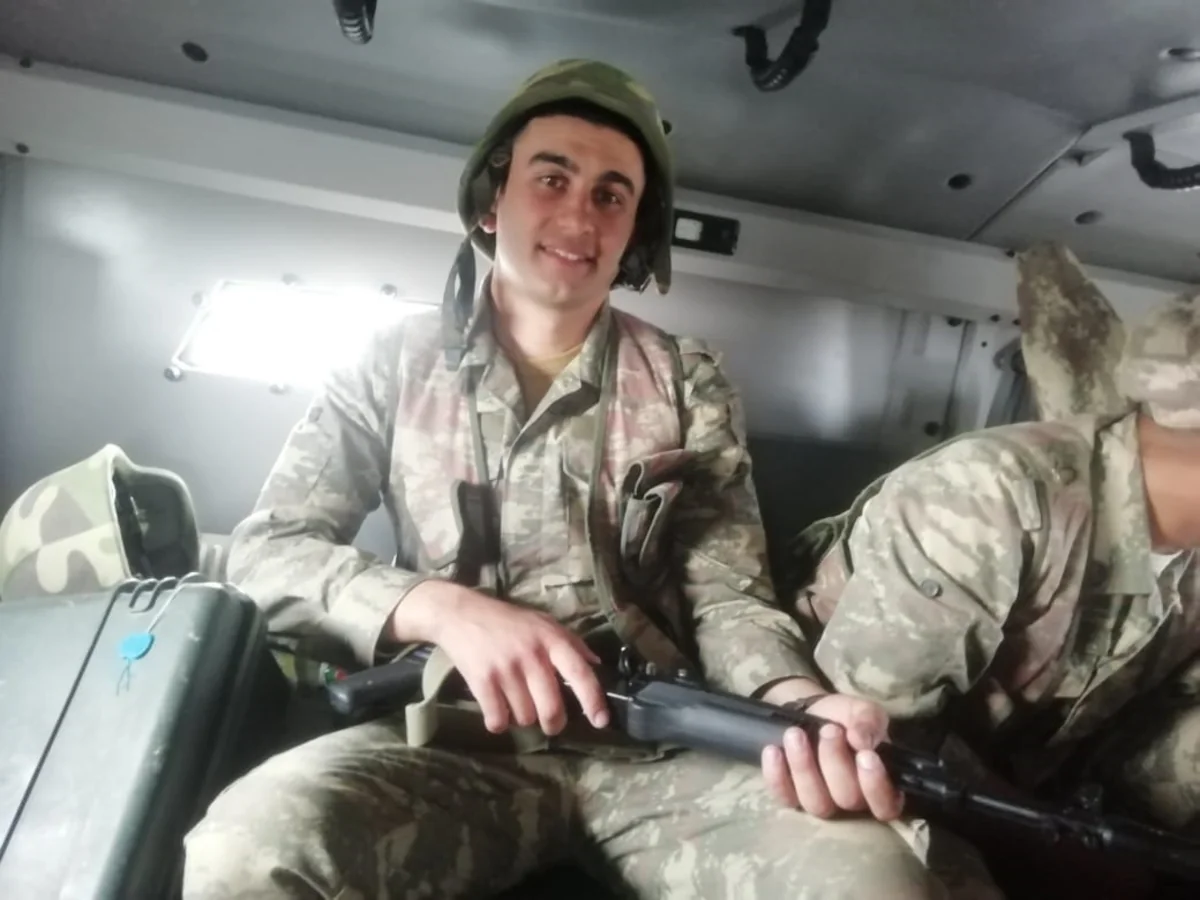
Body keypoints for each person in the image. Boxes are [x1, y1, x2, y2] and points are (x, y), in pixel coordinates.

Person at [182, 59, 993, 899]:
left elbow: (727, 595)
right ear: (493, 202)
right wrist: (443, 609)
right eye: (552, 178)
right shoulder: (390, 363)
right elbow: (268, 553)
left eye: (612, 195)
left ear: (633, 232)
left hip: (658, 747)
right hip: (451, 741)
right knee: (250, 849)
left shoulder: (688, 380)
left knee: (875, 880)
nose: (579, 215)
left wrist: (794, 703)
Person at [787, 289, 1200, 892]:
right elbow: (880, 744)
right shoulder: (989, 496)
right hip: (836, 766)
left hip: (1015, 782)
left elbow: (1159, 731)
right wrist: (1059, 851)